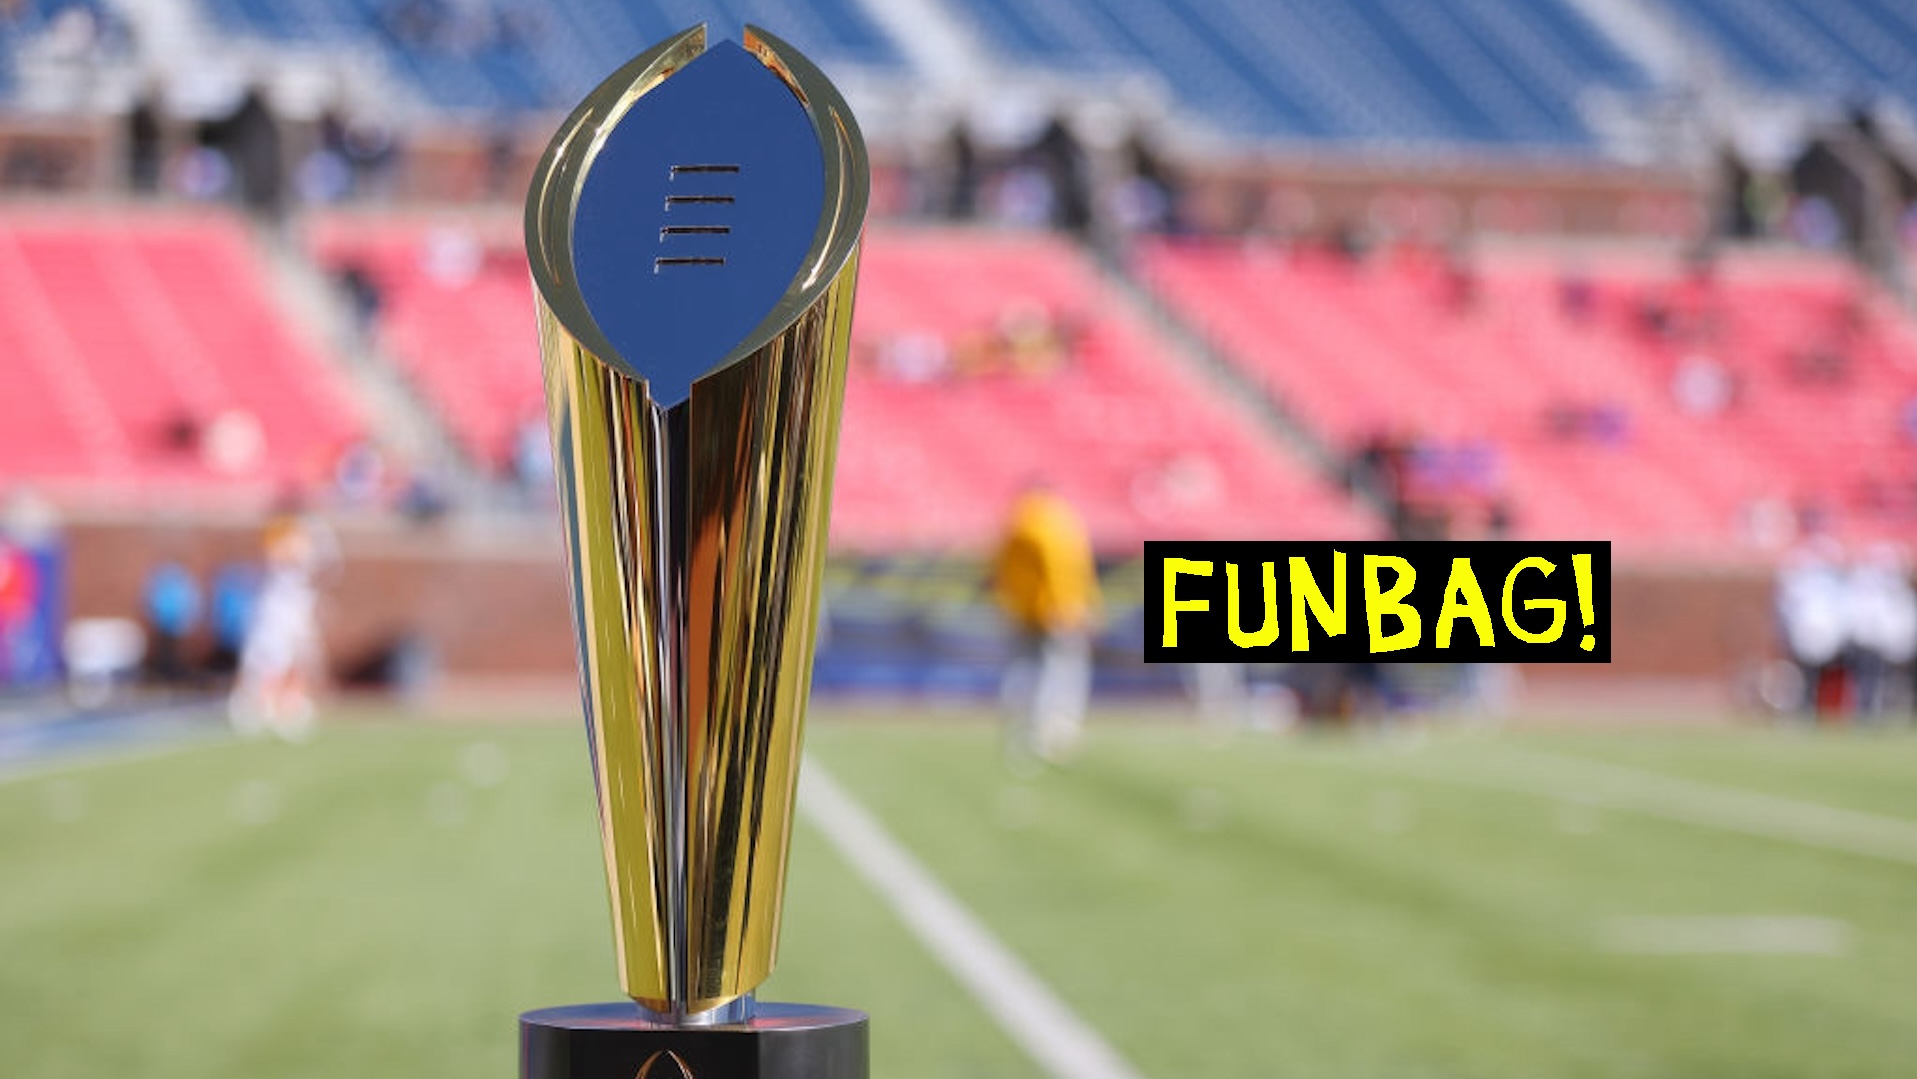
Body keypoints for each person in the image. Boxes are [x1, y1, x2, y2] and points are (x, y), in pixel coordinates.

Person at [991, 483, 1101, 765]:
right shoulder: (1053, 523)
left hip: (1023, 611)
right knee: (1059, 672)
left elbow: (1002, 573)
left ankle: (1019, 724)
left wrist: (1010, 603)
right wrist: (1073, 605)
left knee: (1025, 670)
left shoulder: (1015, 524)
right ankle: (1050, 730)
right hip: (1054, 612)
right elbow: (1065, 569)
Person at [229, 513, 332, 740]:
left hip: (298, 612)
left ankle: (291, 706)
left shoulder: (310, 552)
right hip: (277, 615)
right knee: (269, 660)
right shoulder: (279, 548)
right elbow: (272, 560)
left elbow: (319, 574)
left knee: (300, 660)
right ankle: (259, 703)